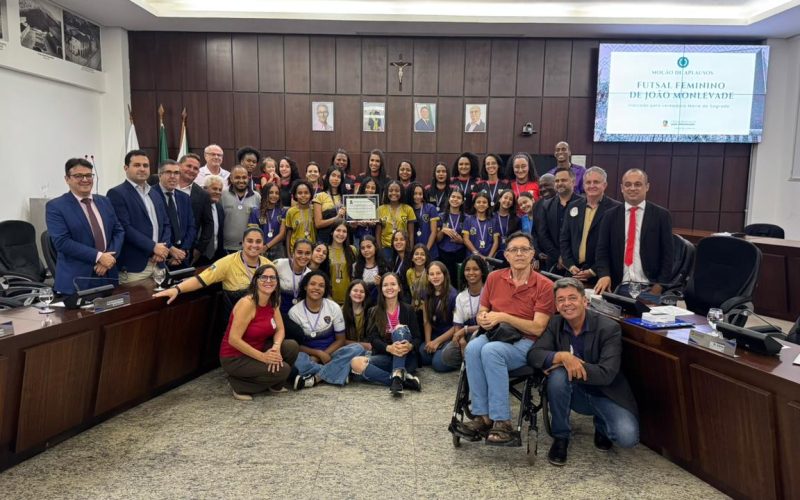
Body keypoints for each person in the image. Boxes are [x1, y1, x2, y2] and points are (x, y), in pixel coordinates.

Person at [529, 277, 639, 465]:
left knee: (627, 437)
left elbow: (607, 374)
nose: (567, 304)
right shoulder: (555, 324)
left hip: (606, 393)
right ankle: (561, 436)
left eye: (572, 298)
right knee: (557, 376)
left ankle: (601, 425)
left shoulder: (609, 328)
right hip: (575, 393)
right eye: (561, 300)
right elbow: (534, 355)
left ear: (584, 300)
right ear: (556, 305)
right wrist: (563, 357)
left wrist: (572, 365)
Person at [461, 231, 554, 444]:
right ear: (506, 255)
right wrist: (483, 318)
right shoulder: (494, 278)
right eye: (514, 250)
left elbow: (538, 328)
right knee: (474, 348)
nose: (519, 254)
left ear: (533, 254)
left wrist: (503, 316)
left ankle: (502, 421)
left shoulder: (544, 285)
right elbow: (482, 311)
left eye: (524, 249)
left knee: (490, 351)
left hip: (526, 341)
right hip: (496, 334)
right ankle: (482, 416)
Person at [219, 264, 300, 400]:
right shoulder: (247, 304)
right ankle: (239, 385)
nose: (268, 281)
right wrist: (263, 357)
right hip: (235, 357)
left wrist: (276, 348)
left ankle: (274, 385)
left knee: (291, 346)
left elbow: (280, 329)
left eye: (272, 278)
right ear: (255, 280)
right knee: (284, 370)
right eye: (264, 277)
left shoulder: (273, 301)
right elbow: (234, 339)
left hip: (258, 348)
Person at [46, 158, 124, 295]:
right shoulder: (56, 206)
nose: (85, 179)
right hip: (78, 280)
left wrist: (109, 258)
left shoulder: (104, 201)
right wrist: (99, 257)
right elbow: (62, 242)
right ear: (67, 179)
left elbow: (118, 231)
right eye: (78, 176)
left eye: (89, 175)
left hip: (108, 274)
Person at [594, 168, 673, 296]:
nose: (632, 188)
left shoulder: (661, 215)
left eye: (638, 184)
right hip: (618, 286)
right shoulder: (609, 216)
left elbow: (668, 255)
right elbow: (602, 250)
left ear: (647, 187)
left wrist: (660, 286)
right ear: (621, 188)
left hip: (650, 287)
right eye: (628, 184)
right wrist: (604, 275)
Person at [153, 227, 273, 304]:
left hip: (262, 320)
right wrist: (177, 289)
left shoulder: (269, 265)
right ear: (242, 243)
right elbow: (201, 279)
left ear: (263, 245)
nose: (254, 245)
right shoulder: (228, 262)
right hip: (237, 323)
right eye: (250, 241)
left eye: (258, 242)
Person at [289, 271, 365, 388]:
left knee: (358, 348)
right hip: (309, 355)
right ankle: (339, 371)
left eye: (321, 285)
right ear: (305, 286)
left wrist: (325, 354)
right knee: (297, 362)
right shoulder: (294, 312)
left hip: (333, 353)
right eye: (313, 284)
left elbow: (341, 340)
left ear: (325, 289)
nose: (317, 288)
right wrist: (318, 354)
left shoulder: (333, 307)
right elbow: (296, 345)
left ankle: (317, 377)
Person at [350, 273, 422, 396]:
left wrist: (410, 346)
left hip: (406, 358)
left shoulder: (408, 309)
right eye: (385, 285)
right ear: (381, 289)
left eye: (393, 284)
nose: (389, 288)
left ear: (399, 287)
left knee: (400, 329)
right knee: (355, 363)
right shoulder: (374, 311)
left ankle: (397, 374)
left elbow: (417, 338)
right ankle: (400, 379)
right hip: (385, 356)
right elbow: (372, 339)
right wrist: (389, 348)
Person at [107, 150, 172, 283]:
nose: (142, 169)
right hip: (135, 267)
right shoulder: (116, 193)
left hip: (159, 262)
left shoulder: (154, 193)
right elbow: (125, 228)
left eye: (145, 165)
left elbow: (165, 224)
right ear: (126, 168)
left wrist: (162, 249)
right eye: (137, 165)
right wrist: (153, 247)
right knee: (139, 303)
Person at [560, 167, 621, 285]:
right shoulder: (573, 206)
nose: (592, 185)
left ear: (605, 185)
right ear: (583, 185)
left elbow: (614, 246)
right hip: (573, 273)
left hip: (601, 276)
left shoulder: (616, 209)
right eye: (588, 182)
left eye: (596, 182)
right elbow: (564, 239)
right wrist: (570, 265)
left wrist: (593, 270)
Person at [441, 255, 489, 369]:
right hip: (466, 336)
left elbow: (490, 326)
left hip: (486, 334)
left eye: (475, 269)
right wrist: (462, 341)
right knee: (446, 356)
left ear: (482, 272)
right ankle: (469, 363)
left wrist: (465, 330)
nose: (471, 272)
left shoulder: (489, 292)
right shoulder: (460, 297)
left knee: (474, 344)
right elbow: (458, 325)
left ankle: (476, 364)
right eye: (467, 269)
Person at [536, 168, 582, 274]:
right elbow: (543, 234)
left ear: (573, 182)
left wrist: (567, 258)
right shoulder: (546, 205)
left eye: (564, 180)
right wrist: (558, 256)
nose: (560, 183)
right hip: (553, 262)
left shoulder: (583, 204)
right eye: (557, 181)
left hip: (577, 264)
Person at [153, 160, 197, 268]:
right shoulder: (150, 195)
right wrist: (170, 250)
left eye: (176, 173)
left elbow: (191, 227)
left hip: (182, 256)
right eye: (168, 172)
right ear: (160, 175)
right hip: (160, 257)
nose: (173, 176)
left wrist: (181, 251)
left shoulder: (184, 197)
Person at [419, 261, 458, 372]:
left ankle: (449, 354)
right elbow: (426, 321)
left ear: (444, 275)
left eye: (438, 273)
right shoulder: (426, 293)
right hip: (434, 334)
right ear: (428, 276)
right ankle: (436, 352)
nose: (435, 277)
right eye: (432, 274)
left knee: (438, 364)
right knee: (422, 355)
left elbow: (456, 326)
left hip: (449, 336)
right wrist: (428, 342)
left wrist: (437, 342)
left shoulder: (454, 295)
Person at [176, 153, 214, 265]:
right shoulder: (163, 186)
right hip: (160, 249)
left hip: (186, 251)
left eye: (196, 168)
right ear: (179, 166)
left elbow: (208, 224)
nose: (192, 170)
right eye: (188, 166)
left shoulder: (203, 195)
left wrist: (199, 249)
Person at [220, 165, 261, 254]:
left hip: (249, 247)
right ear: (231, 178)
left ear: (248, 178)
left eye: (244, 177)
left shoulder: (257, 196)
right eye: (237, 177)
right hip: (226, 247)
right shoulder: (222, 195)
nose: (241, 180)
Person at [376, 180, 416, 260]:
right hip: (386, 249)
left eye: (397, 191)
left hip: (403, 248)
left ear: (401, 192)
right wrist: (380, 251)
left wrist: (410, 250)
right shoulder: (380, 209)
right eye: (391, 191)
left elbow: (411, 233)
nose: (394, 193)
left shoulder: (408, 209)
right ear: (387, 192)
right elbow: (378, 234)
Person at [273, 239, 313, 318]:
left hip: (297, 315)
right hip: (276, 311)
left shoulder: (310, 274)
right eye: (299, 252)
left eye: (307, 253)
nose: (303, 256)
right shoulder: (279, 264)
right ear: (293, 252)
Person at [248, 182, 286, 260]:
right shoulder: (255, 212)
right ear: (265, 194)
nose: (274, 195)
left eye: (277, 193)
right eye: (271, 193)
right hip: (260, 248)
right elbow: (254, 233)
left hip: (278, 250)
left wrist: (267, 246)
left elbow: (282, 234)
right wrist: (262, 247)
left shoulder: (282, 211)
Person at [436, 189, 466, 282]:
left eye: (458, 198)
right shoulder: (440, 216)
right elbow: (437, 239)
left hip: (460, 253)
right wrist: (442, 231)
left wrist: (461, 241)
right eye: (453, 197)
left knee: (458, 281)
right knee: (445, 281)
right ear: (449, 199)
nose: (455, 199)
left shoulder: (467, 218)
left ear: (462, 201)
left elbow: (469, 240)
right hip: (443, 253)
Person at [313, 167, 346, 244]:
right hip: (324, 238)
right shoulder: (319, 196)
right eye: (333, 175)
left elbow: (347, 221)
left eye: (339, 177)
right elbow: (318, 224)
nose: (336, 179)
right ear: (328, 177)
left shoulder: (345, 197)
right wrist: (336, 218)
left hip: (342, 238)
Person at [352, 235, 388, 307]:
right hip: (361, 304)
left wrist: (379, 285)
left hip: (379, 304)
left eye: (369, 247)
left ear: (375, 247)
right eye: (363, 248)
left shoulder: (384, 265)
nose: (366, 250)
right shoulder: (355, 266)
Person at [197, 175, 226, 265]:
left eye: (220, 190)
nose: (217, 192)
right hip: (197, 255)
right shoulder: (197, 206)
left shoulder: (219, 208)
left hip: (216, 257)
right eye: (214, 189)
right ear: (205, 189)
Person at [407, 182, 440, 260]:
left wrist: (427, 250)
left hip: (430, 250)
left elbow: (434, 231)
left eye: (420, 194)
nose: (418, 196)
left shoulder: (430, 208)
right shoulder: (407, 209)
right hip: (414, 252)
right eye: (415, 194)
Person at [463, 191, 499, 258]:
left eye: (484, 202)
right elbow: (466, 240)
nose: (481, 204)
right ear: (474, 204)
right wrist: (478, 255)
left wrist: (489, 257)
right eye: (478, 202)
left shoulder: (494, 221)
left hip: (489, 258)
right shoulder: (468, 220)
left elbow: (496, 242)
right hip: (472, 257)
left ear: (488, 205)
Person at [327, 222, 357, 305]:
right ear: (332, 232)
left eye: (344, 231)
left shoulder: (352, 250)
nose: (341, 234)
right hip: (330, 300)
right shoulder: (325, 250)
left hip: (349, 299)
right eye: (338, 230)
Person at [284, 181, 316, 255]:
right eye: (300, 193)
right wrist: (289, 255)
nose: (303, 195)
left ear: (311, 194)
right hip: (296, 251)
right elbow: (289, 234)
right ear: (295, 195)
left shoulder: (315, 210)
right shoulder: (291, 212)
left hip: (312, 250)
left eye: (306, 193)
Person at [342, 280, 371, 351]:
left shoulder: (371, 312)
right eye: (355, 290)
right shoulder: (340, 311)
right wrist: (361, 345)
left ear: (365, 295)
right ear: (349, 293)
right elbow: (339, 340)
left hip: (367, 351)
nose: (358, 293)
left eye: (362, 291)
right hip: (347, 350)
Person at [492, 189, 520, 264]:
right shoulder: (491, 216)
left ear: (512, 203)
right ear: (500, 199)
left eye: (510, 199)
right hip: (492, 253)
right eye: (505, 197)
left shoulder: (516, 219)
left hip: (510, 255)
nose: (507, 201)